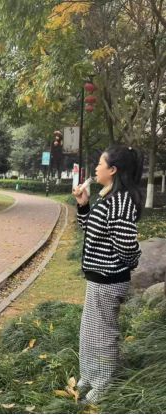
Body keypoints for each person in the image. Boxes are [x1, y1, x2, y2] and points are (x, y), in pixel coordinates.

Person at [73, 145, 143, 405]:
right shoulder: (108, 197)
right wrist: (83, 206)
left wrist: (131, 262)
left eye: (100, 164)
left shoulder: (120, 201)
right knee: (90, 331)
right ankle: (89, 377)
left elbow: (126, 246)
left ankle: (104, 384)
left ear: (113, 170)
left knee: (102, 334)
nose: (96, 168)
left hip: (109, 278)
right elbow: (91, 232)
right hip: (98, 277)